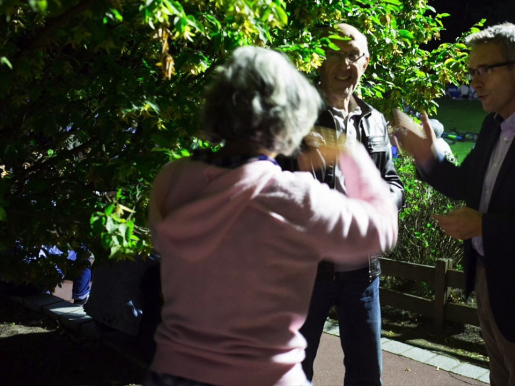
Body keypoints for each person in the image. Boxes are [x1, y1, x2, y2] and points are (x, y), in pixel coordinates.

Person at [145, 46, 399, 386]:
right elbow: (381, 228)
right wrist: (349, 152)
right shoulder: (293, 197)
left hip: (173, 372)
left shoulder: (173, 179)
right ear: (288, 119)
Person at [395, 23, 515, 386]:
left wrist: (483, 226)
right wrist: (428, 159)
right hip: (488, 281)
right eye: (472, 72)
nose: (474, 81)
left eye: (485, 70)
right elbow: (464, 183)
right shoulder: (492, 125)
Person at [278, 23, 404, 385]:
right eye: (335, 52)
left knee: (367, 375)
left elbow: (393, 184)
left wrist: (383, 202)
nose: (343, 62)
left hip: (362, 274)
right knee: (291, 371)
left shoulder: (375, 121)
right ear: (320, 59)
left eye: (352, 55)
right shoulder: (296, 117)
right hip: (305, 271)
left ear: (365, 62)